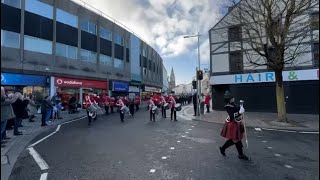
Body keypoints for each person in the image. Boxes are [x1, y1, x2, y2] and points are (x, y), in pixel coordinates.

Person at [219, 91, 249, 160]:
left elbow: (236, 109)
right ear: (229, 99)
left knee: (237, 139)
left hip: (237, 122)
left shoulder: (233, 104)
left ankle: (240, 154)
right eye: (232, 97)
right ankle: (223, 148)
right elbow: (232, 115)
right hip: (232, 124)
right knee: (235, 139)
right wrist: (239, 112)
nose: (234, 98)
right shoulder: (227, 106)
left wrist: (241, 107)